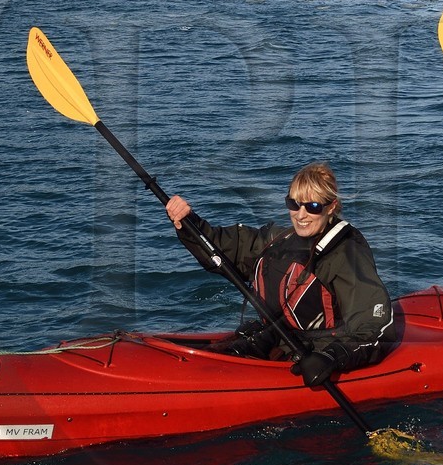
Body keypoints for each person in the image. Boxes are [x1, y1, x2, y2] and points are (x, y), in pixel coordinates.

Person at [164, 162, 396, 387]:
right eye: (293, 204)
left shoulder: (346, 255)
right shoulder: (278, 240)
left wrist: (331, 357)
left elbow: (375, 328)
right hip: (279, 339)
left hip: (318, 355)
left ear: (332, 206)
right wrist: (187, 222)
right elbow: (224, 248)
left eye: (312, 207)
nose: (300, 215)